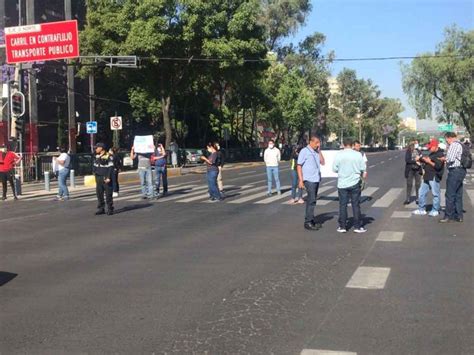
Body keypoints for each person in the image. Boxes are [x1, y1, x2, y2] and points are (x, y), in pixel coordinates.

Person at [333, 137, 367, 233]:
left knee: (342, 205)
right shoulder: (358, 155)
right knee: (355, 205)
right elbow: (363, 168)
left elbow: (334, 168)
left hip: (342, 183)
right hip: (355, 182)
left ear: (343, 145)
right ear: (352, 145)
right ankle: (357, 226)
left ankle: (342, 226)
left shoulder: (339, 155)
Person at [297, 136, 326, 231]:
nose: (318, 144)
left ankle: (311, 219)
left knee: (312, 200)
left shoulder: (316, 151)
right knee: (311, 200)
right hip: (308, 180)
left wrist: (319, 151)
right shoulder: (304, 151)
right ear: (311, 142)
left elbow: (323, 162)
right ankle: (308, 222)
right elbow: (299, 166)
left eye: (319, 143)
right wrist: (301, 180)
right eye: (317, 142)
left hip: (316, 179)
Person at [412, 139, 445, 217]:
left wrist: (429, 161)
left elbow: (438, 166)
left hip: (434, 176)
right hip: (427, 176)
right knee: (421, 192)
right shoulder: (432, 153)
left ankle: (435, 210)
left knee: (435, 194)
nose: (429, 148)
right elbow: (427, 160)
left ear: (435, 146)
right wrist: (420, 159)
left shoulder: (440, 154)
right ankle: (421, 209)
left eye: (431, 147)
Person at [439, 132, 467, 223]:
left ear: (449, 138)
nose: (446, 141)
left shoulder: (454, 145)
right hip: (461, 170)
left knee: (450, 194)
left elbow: (450, 158)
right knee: (458, 194)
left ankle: (448, 216)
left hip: (455, 171)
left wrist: (444, 159)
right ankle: (459, 216)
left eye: (446, 139)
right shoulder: (461, 144)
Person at [93, 143, 114, 215]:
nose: (96, 149)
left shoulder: (109, 156)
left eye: (97, 148)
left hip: (105, 177)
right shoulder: (96, 156)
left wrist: (108, 177)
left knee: (108, 194)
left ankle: (110, 208)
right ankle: (101, 208)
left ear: (101, 148)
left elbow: (110, 168)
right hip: (98, 177)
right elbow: (95, 165)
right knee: (99, 194)